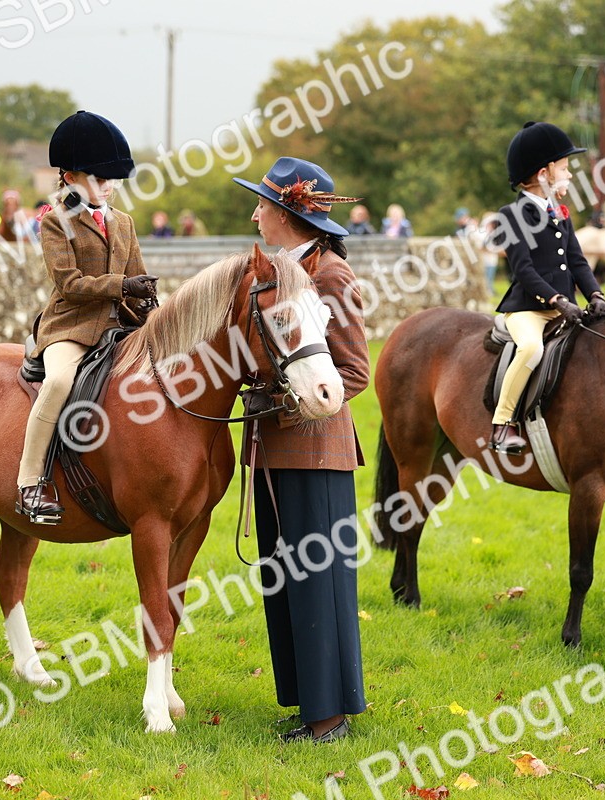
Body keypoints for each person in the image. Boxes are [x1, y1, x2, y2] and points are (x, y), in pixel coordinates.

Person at [233, 156, 368, 743]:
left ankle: (329, 719)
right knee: (282, 580)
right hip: (274, 450)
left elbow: (354, 372)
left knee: (317, 584)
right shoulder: (280, 270)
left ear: (286, 215)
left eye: (262, 205)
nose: (255, 215)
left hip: (317, 452)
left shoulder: (331, 275)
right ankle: (309, 705)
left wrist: (284, 405)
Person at [16, 111, 155, 521]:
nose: (107, 185)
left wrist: (150, 305)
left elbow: (137, 278)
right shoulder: (55, 222)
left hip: (121, 326)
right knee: (59, 381)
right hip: (71, 326)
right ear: (71, 178)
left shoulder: (124, 223)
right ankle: (29, 482)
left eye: (111, 179)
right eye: (98, 178)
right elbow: (69, 283)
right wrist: (122, 285)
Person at [489, 121, 605, 453]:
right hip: (528, 310)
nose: (570, 175)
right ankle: (502, 424)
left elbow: (577, 262)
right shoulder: (511, 215)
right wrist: (557, 299)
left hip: (565, 307)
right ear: (544, 173)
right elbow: (523, 270)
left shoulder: (560, 213)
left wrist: (596, 294)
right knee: (531, 349)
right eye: (565, 168)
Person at [478, 211, 503, 298]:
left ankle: (490, 291)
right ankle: (487, 293)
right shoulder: (482, 233)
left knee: (490, 278)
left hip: (492, 261)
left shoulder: (493, 233)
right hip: (485, 261)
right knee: (486, 278)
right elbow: (481, 248)